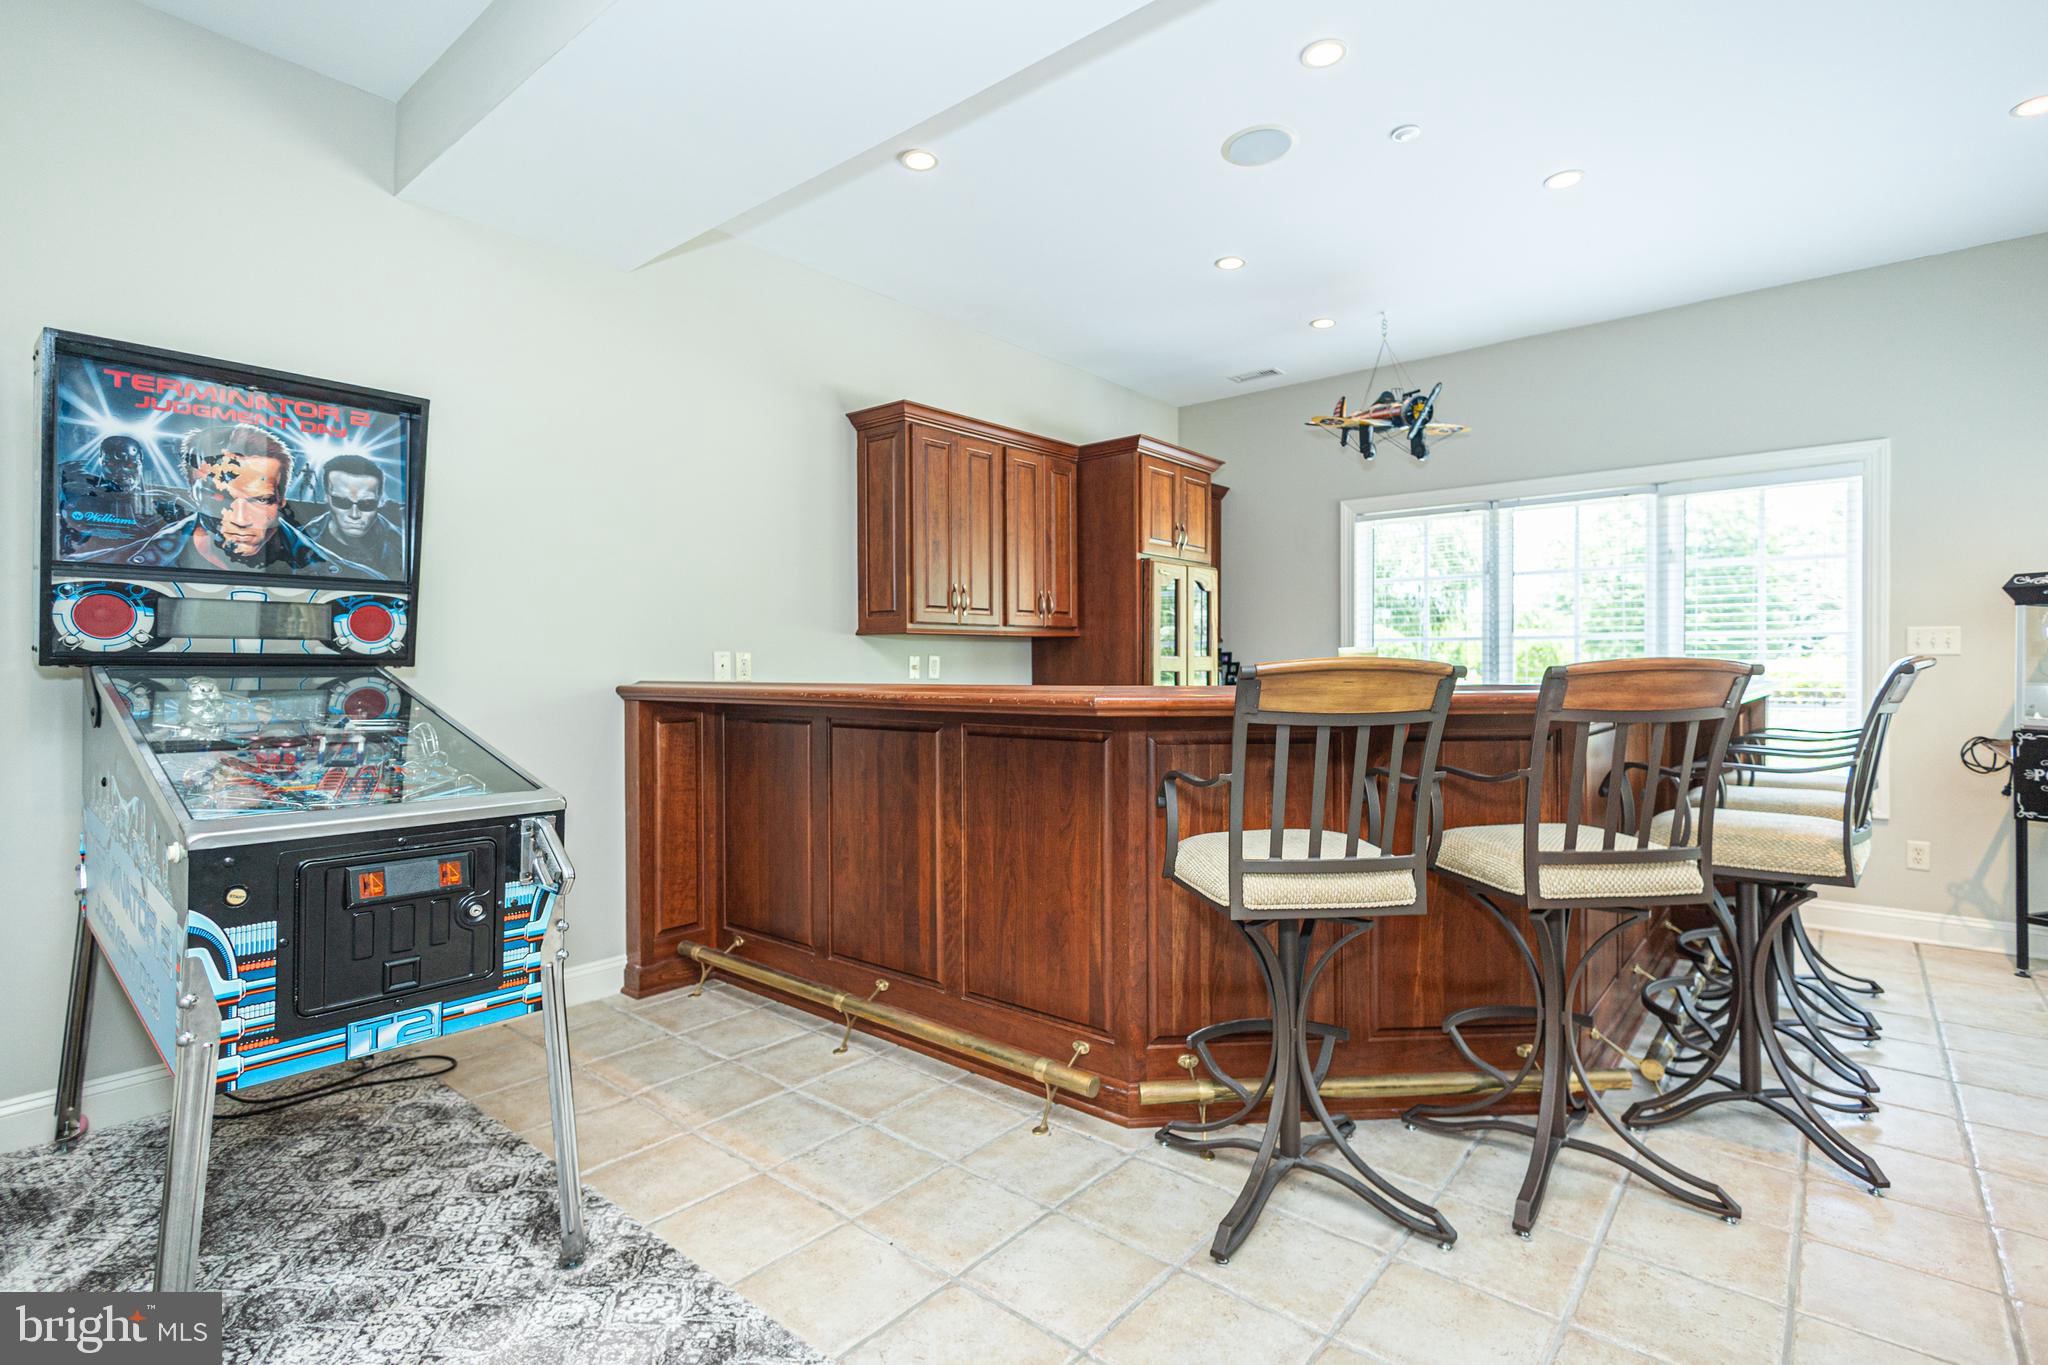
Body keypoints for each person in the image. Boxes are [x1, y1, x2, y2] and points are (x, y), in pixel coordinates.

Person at [83, 424, 369, 576]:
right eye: (218, 498)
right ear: (192, 493)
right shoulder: (116, 567)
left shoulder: (357, 581)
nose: (241, 519)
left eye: (260, 499)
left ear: (281, 500)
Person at [55, 434, 183, 554]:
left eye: (129, 465)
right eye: (111, 464)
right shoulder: (82, 499)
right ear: (102, 464)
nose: (121, 472)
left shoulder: (161, 502)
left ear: (139, 466)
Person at [299, 453, 404, 580]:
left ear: (380, 499)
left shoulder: (402, 545)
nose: (354, 514)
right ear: (326, 497)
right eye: (342, 502)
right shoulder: (301, 540)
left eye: (366, 504)